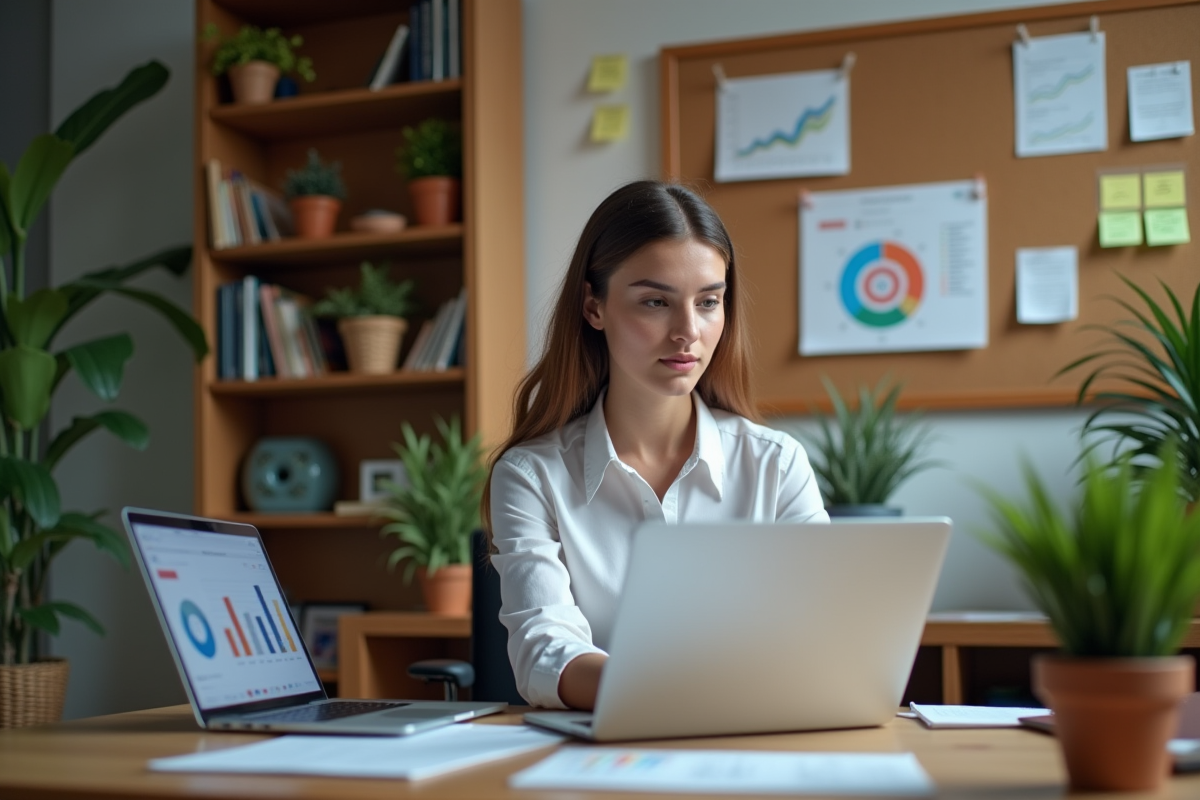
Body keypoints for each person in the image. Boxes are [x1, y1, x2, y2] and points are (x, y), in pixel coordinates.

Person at [483, 180, 828, 710]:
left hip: (757, 746)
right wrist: (673, 691)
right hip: (604, 761)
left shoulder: (776, 466)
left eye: (709, 302)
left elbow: (824, 633)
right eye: (654, 302)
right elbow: (544, 650)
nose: (688, 331)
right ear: (594, 307)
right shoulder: (532, 475)